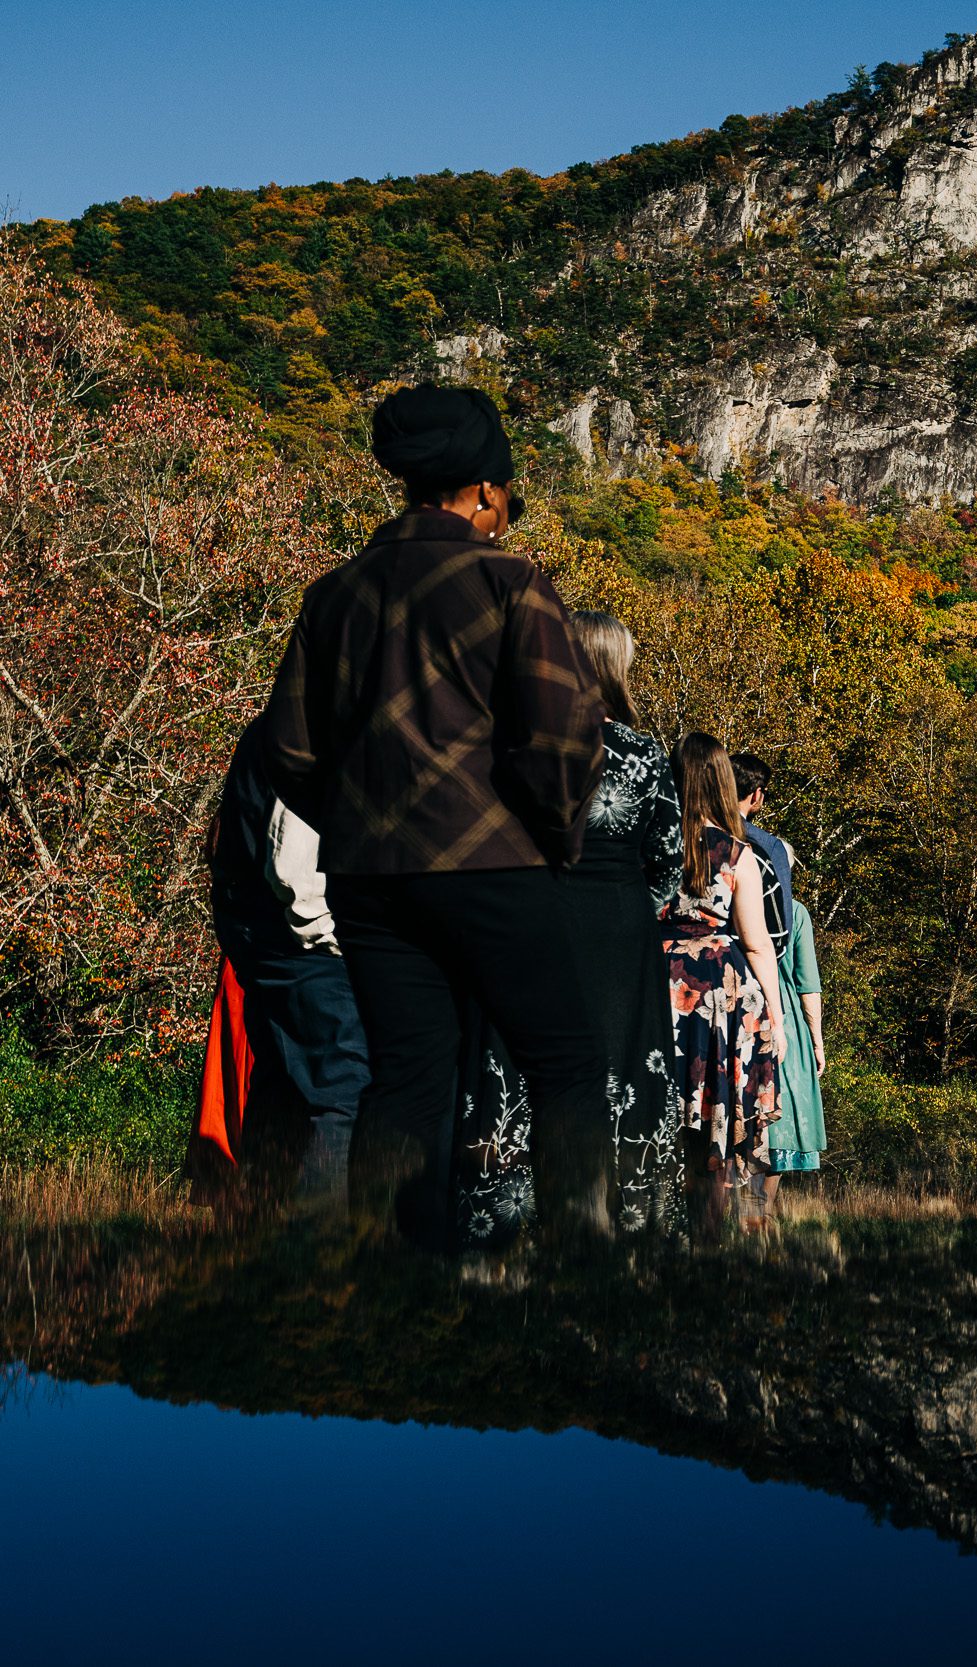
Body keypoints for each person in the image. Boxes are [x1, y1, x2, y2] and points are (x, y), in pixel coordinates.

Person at [259, 384, 609, 1248]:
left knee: (407, 1076)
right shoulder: (510, 582)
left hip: (370, 879)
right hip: (493, 864)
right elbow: (562, 737)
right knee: (566, 1062)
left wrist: (359, 826)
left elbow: (290, 754)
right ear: (487, 493)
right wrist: (551, 839)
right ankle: (584, 1268)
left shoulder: (331, 596)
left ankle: (397, 1283)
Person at [452, 610, 684, 1241]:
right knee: (621, 1068)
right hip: (617, 931)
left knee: (516, 1062)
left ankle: (505, 1216)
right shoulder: (643, 754)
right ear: (615, 667)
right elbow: (669, 859)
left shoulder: (511, 745)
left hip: (531, 921)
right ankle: (625, 1220)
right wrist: (633, 907)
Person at [195, 717, 369, 1211]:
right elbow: (297, 870)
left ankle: (261, 1251)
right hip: (304, 942)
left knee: (281, 1087)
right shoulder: (318, 720)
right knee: (344, 1088)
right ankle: (315, 1260)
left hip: (258, 931)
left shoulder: (276, 723)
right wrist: (331, 938)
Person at [662, 733, 788, 1231]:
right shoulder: (737, 854)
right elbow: (758, 944)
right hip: (720, 994)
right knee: (715, 1122)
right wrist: (776, 1020)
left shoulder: (649, 843)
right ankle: (707, 1245)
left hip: (658, 985)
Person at [767, 894, 830, 1179]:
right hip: (786, 1025)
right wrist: (817, 1043)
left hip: (738, 1012)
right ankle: (759, 1218)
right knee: (778, 1133)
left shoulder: (728, 900)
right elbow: (808, 986)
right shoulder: (793, 911)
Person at [730, 752, 797, 958]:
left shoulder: (684, 832)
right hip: (747, 965)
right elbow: (782, 927)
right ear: (757, 794)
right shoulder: (768, 846)